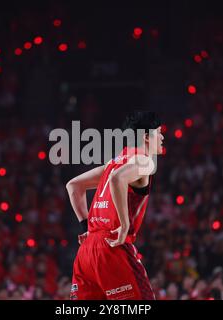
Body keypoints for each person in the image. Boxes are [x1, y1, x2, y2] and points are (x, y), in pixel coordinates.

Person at [66, 111, 164, 300]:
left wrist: (87, 227)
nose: (162, 136)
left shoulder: (113, 163)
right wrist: (125, 225)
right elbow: (117, 179)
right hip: (112, 246)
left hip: (86, 252)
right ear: (146, 136)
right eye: (159, 132)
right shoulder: (145, 161)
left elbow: (74, 186)